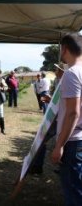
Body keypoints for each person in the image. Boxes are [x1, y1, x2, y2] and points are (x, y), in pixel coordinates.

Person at [51, 33, 82, 206]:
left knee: (73, 192)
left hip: (72, 141)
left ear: (65, 49)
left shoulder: (71, 73)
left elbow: (73, 114)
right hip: (79, 138)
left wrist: (59, 145)